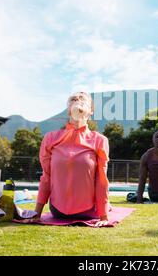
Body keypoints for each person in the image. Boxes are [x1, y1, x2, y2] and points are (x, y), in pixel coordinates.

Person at [34, 92, 110, 227]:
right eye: (73, 99)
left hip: (88, 211)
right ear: (69, 110)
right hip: (58, 211)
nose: (78, 100)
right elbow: (46, 176)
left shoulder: (99, 140)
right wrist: (36, 214)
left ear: (91, 111)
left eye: (82, 99)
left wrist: (103, 216)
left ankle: (107, 206)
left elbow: (101, 180)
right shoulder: (50, 138)